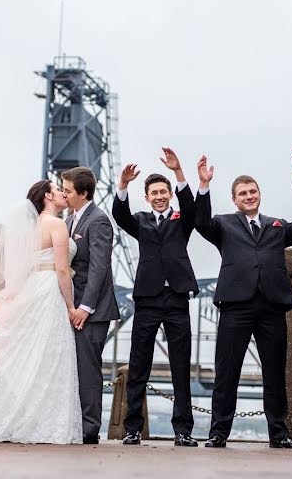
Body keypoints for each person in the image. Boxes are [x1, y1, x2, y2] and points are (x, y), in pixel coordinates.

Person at [195, 153, 292, 449]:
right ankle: (218, 432)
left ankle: (279, 432)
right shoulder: (223, 224)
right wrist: (203, 185)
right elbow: (199, 221)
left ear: (259, 195)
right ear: (234, 200)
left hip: (272, 306)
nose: (249, 196)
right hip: (236, 305)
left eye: (253, 192)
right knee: (227, 371)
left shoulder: (277, 225)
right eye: (243, 194)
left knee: (274, 371)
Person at [0, 180, 82, 444]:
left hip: (31, 288)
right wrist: (71, 306)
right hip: (49, 289)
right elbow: (62, 270)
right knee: (50, 357)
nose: (63, 193)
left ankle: (19, 420)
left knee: (30, 356)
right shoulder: (57, 224)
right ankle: (44, 423)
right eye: (58, 190)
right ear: (48, 196)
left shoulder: (29, 226)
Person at [112, 148, 199, 447]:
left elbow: (192, 208)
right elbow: (119, 215)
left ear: (170, 195)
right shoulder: (141, 221)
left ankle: (183, 431)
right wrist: (123, 186)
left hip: (176, 299)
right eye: (154, 193)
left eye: (164, 192)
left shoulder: (181, 219)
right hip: (148, 300)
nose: (160, 196)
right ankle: (132, 428)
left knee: (180, 366)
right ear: (147, 197)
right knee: (139, 365)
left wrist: (178, 172)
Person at [62, 166, 121, 444]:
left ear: (83, 193)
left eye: (68, 190)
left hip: (92, 311)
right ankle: (74, 423)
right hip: (71, 306)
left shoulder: (98, 220)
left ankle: (89, 429)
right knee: (73, 368)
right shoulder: (69, 220)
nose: (64, 194)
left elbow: (99, 268)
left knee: (88, 369)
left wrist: (85, 307)